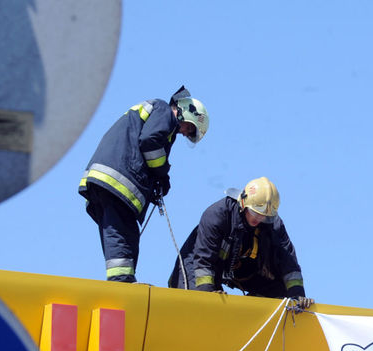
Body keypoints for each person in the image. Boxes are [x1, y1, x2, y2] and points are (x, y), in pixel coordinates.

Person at [79, 86, 209, 282]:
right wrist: (162, 174)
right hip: (118, 180)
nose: (184, 133)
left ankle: (124, 280)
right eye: (189, 127)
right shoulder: (164, 110)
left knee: (125, 232)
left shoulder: (155, 114)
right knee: (121, 231)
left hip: (106, 179)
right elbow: (150, 142)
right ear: (184, 111)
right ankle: (121, 283)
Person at [167, 177, 312, 305]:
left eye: (264, 216)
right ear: (243, 203)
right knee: (198, 300)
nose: (258, 219)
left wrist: (297, 296)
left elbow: (289, 263)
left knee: (281, 291)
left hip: (238, 267)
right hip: (200, 263)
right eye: (255, 213)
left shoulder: (274, 225)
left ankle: (254, 315)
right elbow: (204, 260)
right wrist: (207, 295)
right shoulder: (216, 215)